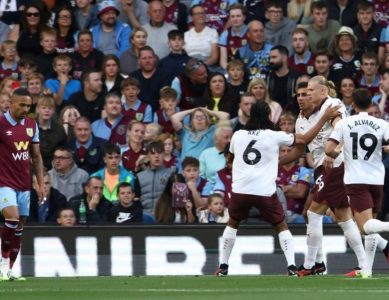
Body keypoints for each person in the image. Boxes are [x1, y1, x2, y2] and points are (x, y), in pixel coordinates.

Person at [214, 100, 340, 276]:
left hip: (241, 190)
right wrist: (324, 118)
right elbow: (304, 139)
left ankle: (223, 266)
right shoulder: (274, 135)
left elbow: (230, 161)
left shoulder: (238, 135)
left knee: (232, 224)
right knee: (281, 225)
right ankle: (291, 266)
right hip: (264, 191)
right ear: (267, 116)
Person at [279, 76, 368, 277]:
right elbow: (298, 150)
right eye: (300, 94)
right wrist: (274, 164)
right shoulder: (301, 120)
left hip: (338, 164)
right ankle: (364, 265)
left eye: (309, 91)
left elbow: (342, 127)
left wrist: (334, 149)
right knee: (343, 217)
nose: (304, 96)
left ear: (321, 92)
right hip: (323, 168)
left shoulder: (332, 104)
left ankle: (311, 265)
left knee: (313, 213)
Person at [325, 88, 389, 278]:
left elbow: (329, 149)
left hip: (356, 180)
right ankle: (367, 271)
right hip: (377, 179)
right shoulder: (382, 123)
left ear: (352, 104)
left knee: (365, 227)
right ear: (371, 104)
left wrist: (339, 153)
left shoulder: (345, 123)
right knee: (369, 230)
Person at [0, 88, 44, 281]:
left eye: (29, 105)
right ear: (11, 103)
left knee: (19, 227)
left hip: (24, 183)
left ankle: (8, 270)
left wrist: (40, 183)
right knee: (12, 218)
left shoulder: (31, 125)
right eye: (22, 105)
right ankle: (2, 263)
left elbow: (36, 156)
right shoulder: (1, 124)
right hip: (4, 182)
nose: (26, 109)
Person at [129, 46, 174, 112]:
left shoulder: (166, 76)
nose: (147, 61)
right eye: (144, 58)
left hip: (160, 114)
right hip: (138, 114)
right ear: (139, 61)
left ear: (154, 59)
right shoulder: (133, 77)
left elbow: (168, 98)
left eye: (150, 57)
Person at [137, 141, 174, 214]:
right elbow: (136, 199)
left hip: (164, 215)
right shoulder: (139, 176)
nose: (156, 156)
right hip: (144, 215)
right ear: (148, 156)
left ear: (164, 155)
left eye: (159, 153)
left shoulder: (171, 174)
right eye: (153, 153)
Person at [35, 95, 67, 169]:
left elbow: (63, 148)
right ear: (38, 109)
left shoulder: (59, 128)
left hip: (54, 165)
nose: (47, 110)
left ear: (53, 111)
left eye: (50, 108)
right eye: (44, 108)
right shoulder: (29, 126)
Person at [267, 45, 300, 111]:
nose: (271, 61)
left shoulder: (295, 77)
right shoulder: (268, 78)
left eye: (274, 57)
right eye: (270, 58)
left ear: (284, 58)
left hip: (291, 115)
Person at [218, 3, 248, 70]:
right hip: (231, 70)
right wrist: (231, 71)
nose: (235, 19)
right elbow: (223, 61)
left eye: (238, 16)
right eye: (232, 16)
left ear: (244, 17)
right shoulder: (225, 34)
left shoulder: (251, 31)